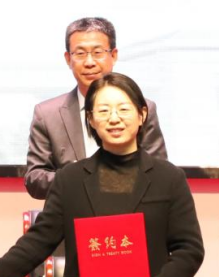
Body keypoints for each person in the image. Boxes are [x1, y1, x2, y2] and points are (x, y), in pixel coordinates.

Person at [0, 73, 203, 277]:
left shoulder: (169, 178)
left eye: (123, 109)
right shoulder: (70, 179)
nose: (114, 118)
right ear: (90, 120)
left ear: (142, 115)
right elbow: (38, 241)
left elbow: (189, 250)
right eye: (103, 110)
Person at [25, 17, 168, 200]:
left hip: (131, 211)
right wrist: (81, 178)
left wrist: (110, 180)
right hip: (72, 213)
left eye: (98, 52)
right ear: (68, 59)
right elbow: (35, 180)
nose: (89, 62)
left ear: (113, 55)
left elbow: (159, 173)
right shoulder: (47, 114)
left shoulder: (141, 109)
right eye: (80, 53)